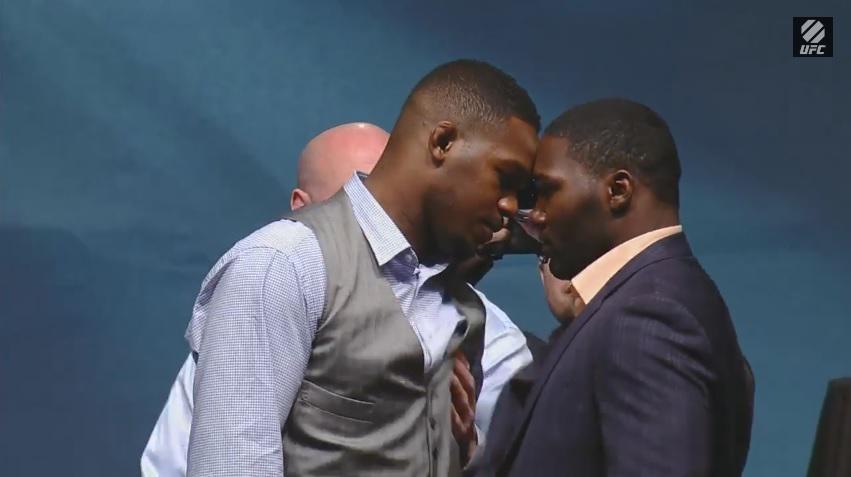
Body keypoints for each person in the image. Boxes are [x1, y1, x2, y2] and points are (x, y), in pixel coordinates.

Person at [166, 59, 539, 477]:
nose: (509, 206)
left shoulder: (463, 306)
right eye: (504, 178)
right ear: (443, 142)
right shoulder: (284, 265)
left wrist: (466, 449)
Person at [476, 99, 753, 477]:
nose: (536, 215)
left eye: (548, 191)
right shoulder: (653, 299)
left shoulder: (648, 319)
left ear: (618, 190)